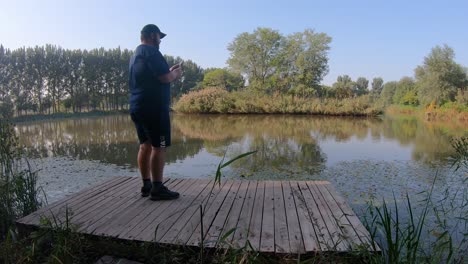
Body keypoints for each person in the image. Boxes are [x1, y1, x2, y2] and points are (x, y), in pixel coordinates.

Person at [128, 24, 182, 200]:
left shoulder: (136, 54)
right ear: (152, 35)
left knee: (145, 145)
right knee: (159, 146)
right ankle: (158, 189)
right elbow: (164, 77)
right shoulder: (151, 52)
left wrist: (169, 71)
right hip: (154, 108)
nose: (160, 41)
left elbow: (153, 76)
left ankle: (147, 185)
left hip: (138, 106)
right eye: (160, 37)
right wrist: (175, 74)